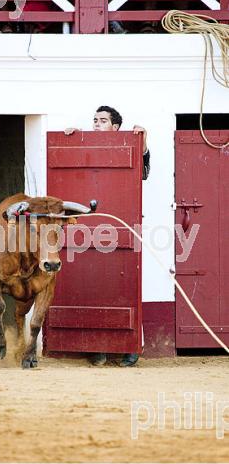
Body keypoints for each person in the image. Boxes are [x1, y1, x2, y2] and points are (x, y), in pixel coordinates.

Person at [65, 106, 150, 367]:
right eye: (95, 120)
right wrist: (71, 139)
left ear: (116, 127)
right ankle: (98, 347)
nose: (97, 124)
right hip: (92, 231)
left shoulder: (131, 144)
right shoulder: (86, 144)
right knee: (94, 289)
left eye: (103, 121)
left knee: (127, 289)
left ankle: (132, 347)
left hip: (122, 229)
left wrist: (142, 140)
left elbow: (144, 171)